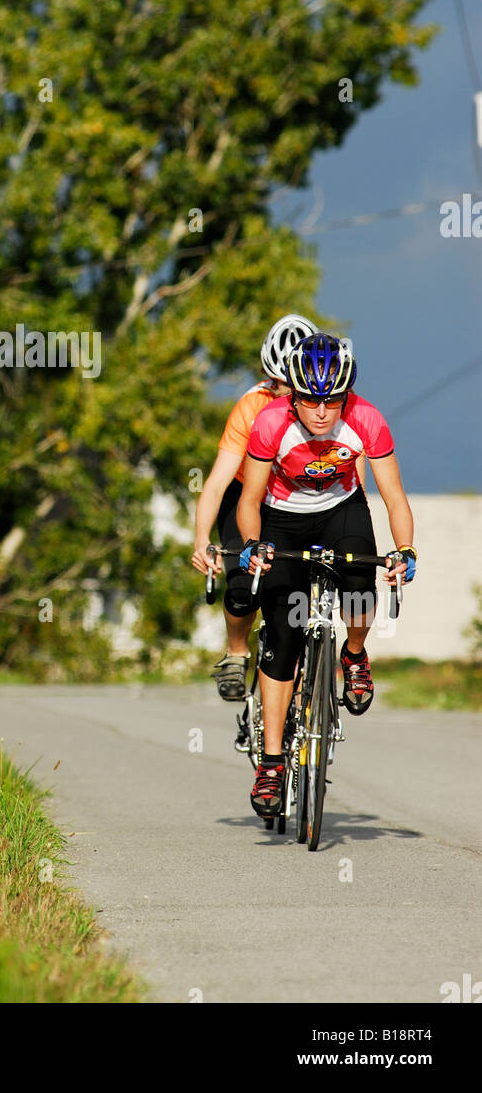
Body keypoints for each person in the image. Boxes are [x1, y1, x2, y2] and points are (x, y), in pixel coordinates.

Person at [236, 333, 416, 817]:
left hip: (341, 510)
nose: (321, 412)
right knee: (282, 636)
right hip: (282, 516)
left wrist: (404, 550)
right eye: (310, 400)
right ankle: (272, 763)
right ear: (292, 395)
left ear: (346, 396)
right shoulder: (270, 423)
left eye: (332, 400)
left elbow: (395, 497)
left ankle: (353, 654)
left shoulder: (367, 420)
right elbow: (249, 500)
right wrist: (254, 546)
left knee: (360, 586)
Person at [192, 314, 366, 703]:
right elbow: (218, 482)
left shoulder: (333, 408)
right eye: (279, 384)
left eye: (295, 385)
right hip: (248, 496)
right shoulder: (252, 407)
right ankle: (237, 652)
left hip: (303, 500)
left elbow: (352, 478)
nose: (290, 394)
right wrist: (202, 539)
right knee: (242, 587)